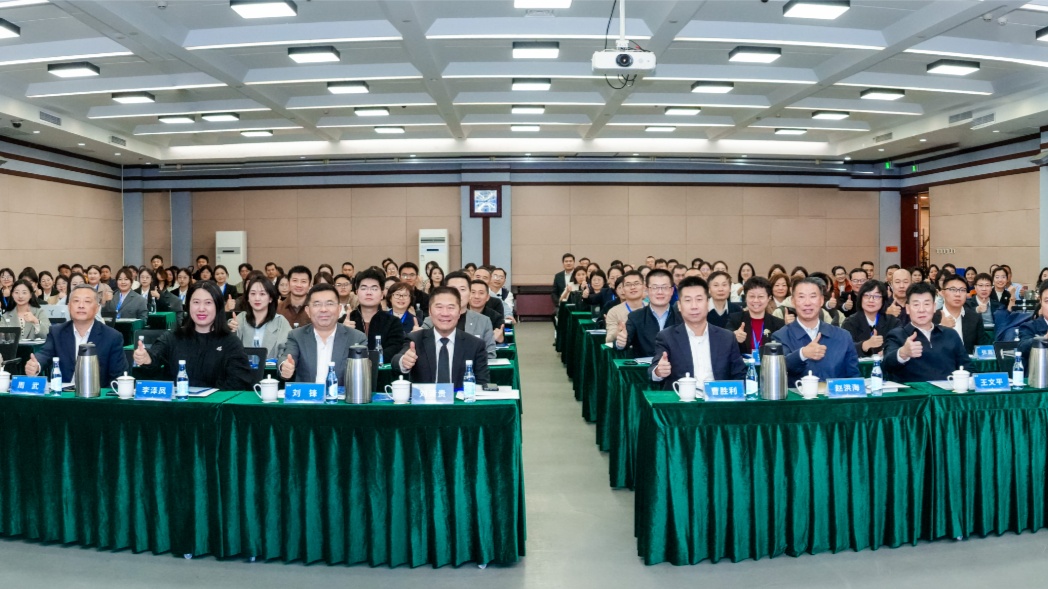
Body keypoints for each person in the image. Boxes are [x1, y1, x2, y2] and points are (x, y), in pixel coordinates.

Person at [133, 282, 254, 390]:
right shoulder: (173, 337)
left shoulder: (230, 342)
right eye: (196, 302)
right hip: (178, 404)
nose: (201, 309)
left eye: (208, 303)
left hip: (215, 405)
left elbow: (240, 382)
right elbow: (155, 357)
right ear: (188, 305)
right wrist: (146, 359)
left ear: (218, 306)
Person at [649, 276, 747, 388]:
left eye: (699, 299)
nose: (694, 306)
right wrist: (659, 371)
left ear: (708, 304)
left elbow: (740, 374)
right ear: (679, 306)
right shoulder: (667, 337)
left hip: (718, 397)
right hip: (682, 397)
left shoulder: (727, 337)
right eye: (688, 300)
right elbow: (653, 370)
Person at [26, 284, 127, 384]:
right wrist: (36, 365)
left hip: (96, 392)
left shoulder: (112, 336)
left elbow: (118, 376)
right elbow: (45, 354)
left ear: (97, 308)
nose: (81, 306)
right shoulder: (57, 332)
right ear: (69, 306)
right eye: (76, 301)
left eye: (87, 301)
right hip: (64, 392)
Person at [392, 286, 489, 388]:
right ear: (430, 311)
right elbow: (396, 360)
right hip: (426, 398)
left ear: (459, 312)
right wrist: (404, 361)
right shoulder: (416, 339)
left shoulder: (475, 344)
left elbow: (482, 383)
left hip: (460, 398)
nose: (445, 313)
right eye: (439, 307)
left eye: (451, 307)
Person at [771, 278, 860, 383]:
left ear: (821, 300)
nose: (807, 303)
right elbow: (779, 368)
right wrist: (802, 354)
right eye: (801, 297)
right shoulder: (780, 337)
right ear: (793, 301)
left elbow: (854, 378)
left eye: (813, 296)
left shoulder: (843, 336)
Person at [278, 283, 367, 386]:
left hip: (341, 396)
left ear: (339, 309)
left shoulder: (356, 338)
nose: (323, 309)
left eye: (329, 304)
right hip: (309, 395)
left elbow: (361, 377)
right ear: (308, 311)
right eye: (317, 304)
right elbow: (287, 357)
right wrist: (285, 367)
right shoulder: (297, 336)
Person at [882, 282, 969, 382]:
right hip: (914, 391)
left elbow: (967, 367)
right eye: (916, 305)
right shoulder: (897, 335)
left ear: (934, 307)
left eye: (926, 304)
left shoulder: (951, 334)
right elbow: (886, 365)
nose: (921, 310)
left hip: (948, 391)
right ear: (908, 309)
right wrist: (903, 353)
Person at [424, 271, 496, 358]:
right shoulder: (431, 320)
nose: (457, 294)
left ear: (470, 293)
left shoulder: (483, 321)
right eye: (452, 289)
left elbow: (490, 355)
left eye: (462, 289)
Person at [615, 269, 682, 358]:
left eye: (665, 287)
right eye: (654, 287)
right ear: (647, 290)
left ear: (672, 291)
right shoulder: (636, 317)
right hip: (645, 366)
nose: (660, 292)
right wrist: (620, 343)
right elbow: (625, 341)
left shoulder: (682, 317)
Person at [344, 269, 406, 361]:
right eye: (364, 288)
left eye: (374, 288)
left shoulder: (393, 322)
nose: (368, 292)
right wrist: (342, 331)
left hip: (381, 369)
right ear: (356, 292)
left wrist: (369, 359)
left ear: (382, 294)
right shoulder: (345, 321)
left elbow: (394, 349)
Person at [227, 277, 291, 359]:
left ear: (270, 298)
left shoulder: (280, 322)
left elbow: (287, 352)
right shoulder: (241, 319)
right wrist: (231, 330)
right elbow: (230, 350)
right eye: (253, 294)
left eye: (262, 294)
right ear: (248, 298)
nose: (257, 298)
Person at [934, 272, 991, 354]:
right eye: (952, 290)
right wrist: (941, 328)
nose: (958, 294)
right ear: (943, 293)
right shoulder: (932, 317)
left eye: (962, 290)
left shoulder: (974, 317)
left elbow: (982, 347)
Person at [727, 277, 785, 355]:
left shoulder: (779, 324)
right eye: (752, 296)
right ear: (745, 298)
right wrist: (733, 336)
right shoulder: (734, 319)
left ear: (769, 298)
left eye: (761, 296)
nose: (756, 300)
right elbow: (724, 340)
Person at [841, 279, 898, 357]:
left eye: (876, 296)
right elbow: (844, 348)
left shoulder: (893, 322)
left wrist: (888, 351)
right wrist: (865, 345)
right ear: (860, 298)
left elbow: (899, 344)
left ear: (883, 300)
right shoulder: (850, 323)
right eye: (867, 296)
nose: (871, 300)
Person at [605, 270, 645, 345]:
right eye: (628, 284)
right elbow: (608, 339)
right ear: (623, 289)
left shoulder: (652, 308)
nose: (633, 287)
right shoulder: (614, 312)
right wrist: (618, 332)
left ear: (644, 286)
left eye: (636, 283)